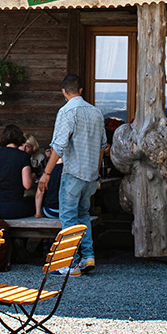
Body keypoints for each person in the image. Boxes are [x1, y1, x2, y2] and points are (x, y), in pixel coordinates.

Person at [42, 74, 103, 276]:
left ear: (63, 92)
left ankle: (70, 263)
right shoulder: (96, 113)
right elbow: (103, 146)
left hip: (73, 172)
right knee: (83, 214)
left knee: (68, 217)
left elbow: (58, 146)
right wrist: (97, 170)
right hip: (91, 175)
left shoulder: (66, 112)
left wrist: (46, 173)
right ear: (81, 91)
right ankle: (88, 257)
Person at [0, 125, 34, 222]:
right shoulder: (23, 156)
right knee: (35, 203)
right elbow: (27, 185)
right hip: (13, 208)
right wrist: (33, 177)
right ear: (20, 139)